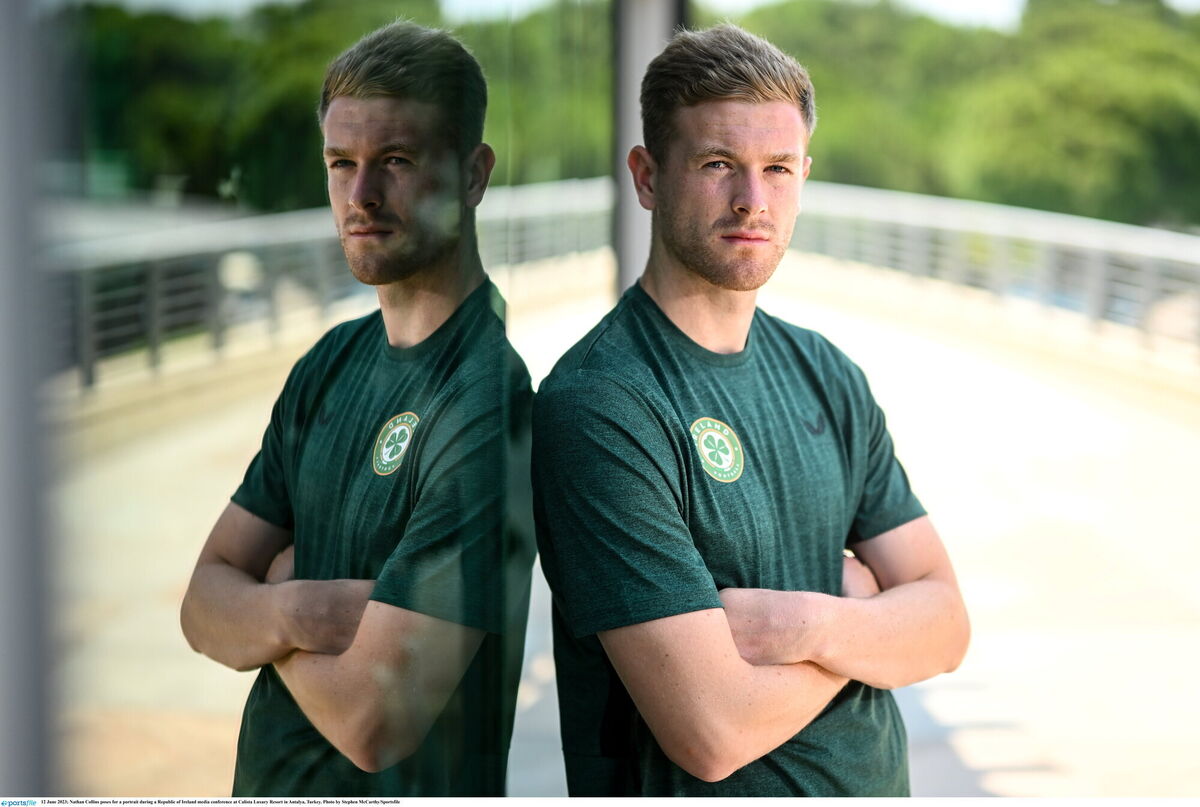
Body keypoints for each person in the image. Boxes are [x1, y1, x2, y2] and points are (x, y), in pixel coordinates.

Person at [531, 23, 969, 796]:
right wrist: (868, 620)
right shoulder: (599, 406)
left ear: (804, 173)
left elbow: (947, 625)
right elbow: (713, 729)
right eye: (717, 165)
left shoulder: (826, 373)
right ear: (646, 176)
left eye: (777, 168)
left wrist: (810, 625)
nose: (752, 201)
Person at [179, 21, 534, 797]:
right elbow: (200, 605)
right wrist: (309, 609)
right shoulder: (329, 364)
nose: (361, 194)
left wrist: (266, 598)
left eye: (396, 162)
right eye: (342, 163)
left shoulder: (488, 402)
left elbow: (376, 720)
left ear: (474, 174)